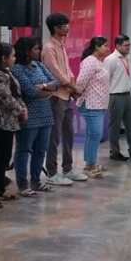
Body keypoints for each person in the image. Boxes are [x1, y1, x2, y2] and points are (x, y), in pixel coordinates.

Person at [41, 12, 86, 185]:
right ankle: (52, 173)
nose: (68, 28)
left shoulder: (61, 45)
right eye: (65, 25)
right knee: (54, 136)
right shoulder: (49, 48)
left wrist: (73, 89)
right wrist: (74, 88)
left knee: (69, 133)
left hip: (66, 96)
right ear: (56, 28)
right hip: (56, 96)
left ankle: (67, 169)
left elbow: (68, 70)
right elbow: (56, 74)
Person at [11, 36, 59, 197]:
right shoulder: (17, 69)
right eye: (35, 49)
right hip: (28, 115)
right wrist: (48, 91)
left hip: (45, 114)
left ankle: (36, 182)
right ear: (26, 51)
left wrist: (44, 86)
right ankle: (22, 185)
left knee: (41, 150)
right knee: (24, 150)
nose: (39, 51)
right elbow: (30, 91)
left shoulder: (39, 65)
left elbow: (56, 83)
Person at [0, 43, 27, 208]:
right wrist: (20, 111)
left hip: (9, 121)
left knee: (4, 156)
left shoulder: (7, 73)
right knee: (2, 156)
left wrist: (23, 107)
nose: (15, 59)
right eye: (12, 56)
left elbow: (17, 95)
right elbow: (6, 98)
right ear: (4, 58)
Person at [76, 36, 111, 177]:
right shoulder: (90, 61)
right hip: (91, 104)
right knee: (95, 134)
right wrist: (77, 95)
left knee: (93, 134)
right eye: (105, 46)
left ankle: (90, 163)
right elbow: (80, 82)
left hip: (99, 104)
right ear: (97, 47)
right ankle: (91, 165)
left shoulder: (98, 62)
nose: (107, 48)